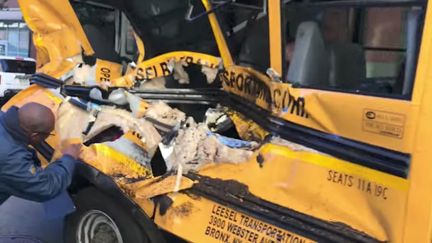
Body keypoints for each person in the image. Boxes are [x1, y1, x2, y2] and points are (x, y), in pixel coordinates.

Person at [0, 103, 81, 205]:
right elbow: (46, 187)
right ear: (35, 135)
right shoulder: (11, 159)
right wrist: (69, 157)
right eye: (48, 134)